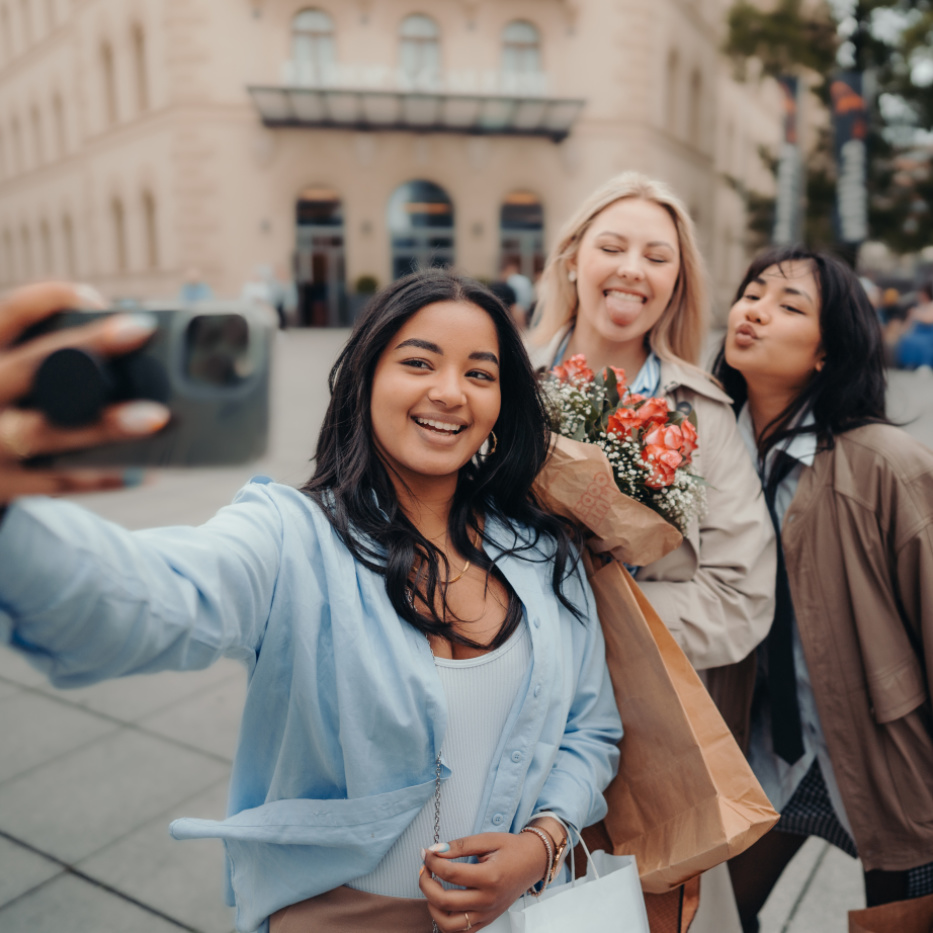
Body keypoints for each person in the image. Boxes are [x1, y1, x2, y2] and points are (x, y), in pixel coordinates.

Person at [0, 272, 622, 933]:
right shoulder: (290, 534)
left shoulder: (538, 549)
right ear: (365, 376)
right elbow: (150, 598)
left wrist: (540, 845)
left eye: (479, 373)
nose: (448, 391)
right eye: (418, 361)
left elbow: (591, 729)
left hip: (511, 916)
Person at [713, 246, 933, 931]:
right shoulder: (700, 456)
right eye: (751, 293)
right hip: (760, 758)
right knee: (711, 918)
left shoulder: (884, 465)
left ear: (825, 352)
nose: (755, 310)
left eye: (788, 305)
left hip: (883, 760)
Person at [527, 172, 776, 673]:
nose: (633, 270)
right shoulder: (501, 381)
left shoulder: (702, 412)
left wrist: (593, 622)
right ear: (573, 260)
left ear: (677, 283)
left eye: (658, 258)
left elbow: (740, 595)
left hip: (635, 704)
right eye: (612, 248)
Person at [895, 280, 933, 370]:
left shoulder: (931, 305)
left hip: (928, 333)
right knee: (907, 339)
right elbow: (908, 323)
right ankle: (910, 363)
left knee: (922, 343)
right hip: (916, 333)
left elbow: (929, 320)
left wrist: (916, 314)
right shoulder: (918, 306)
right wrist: (902, 331)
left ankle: (925, 364)